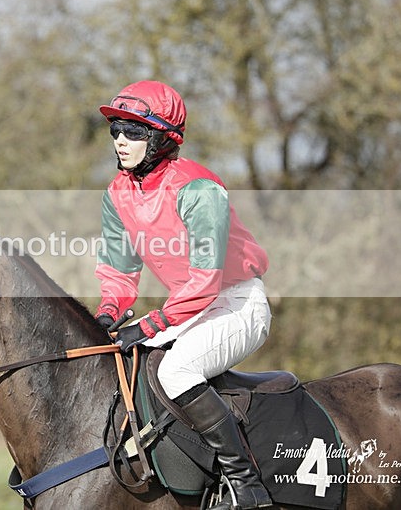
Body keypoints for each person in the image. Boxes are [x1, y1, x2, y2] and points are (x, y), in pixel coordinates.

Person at [94, 80, 273, 510]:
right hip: (190, 309)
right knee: (127, 360)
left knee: (174, 372)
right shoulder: (117, 194)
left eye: (134, 131)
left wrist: (152, 324)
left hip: (238, 304)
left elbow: (204, 280)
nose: (120, 140)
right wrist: (106, 315)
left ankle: (246, 484)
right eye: (116, 129)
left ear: (160, 138)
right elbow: (119, 272)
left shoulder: (198, 188)